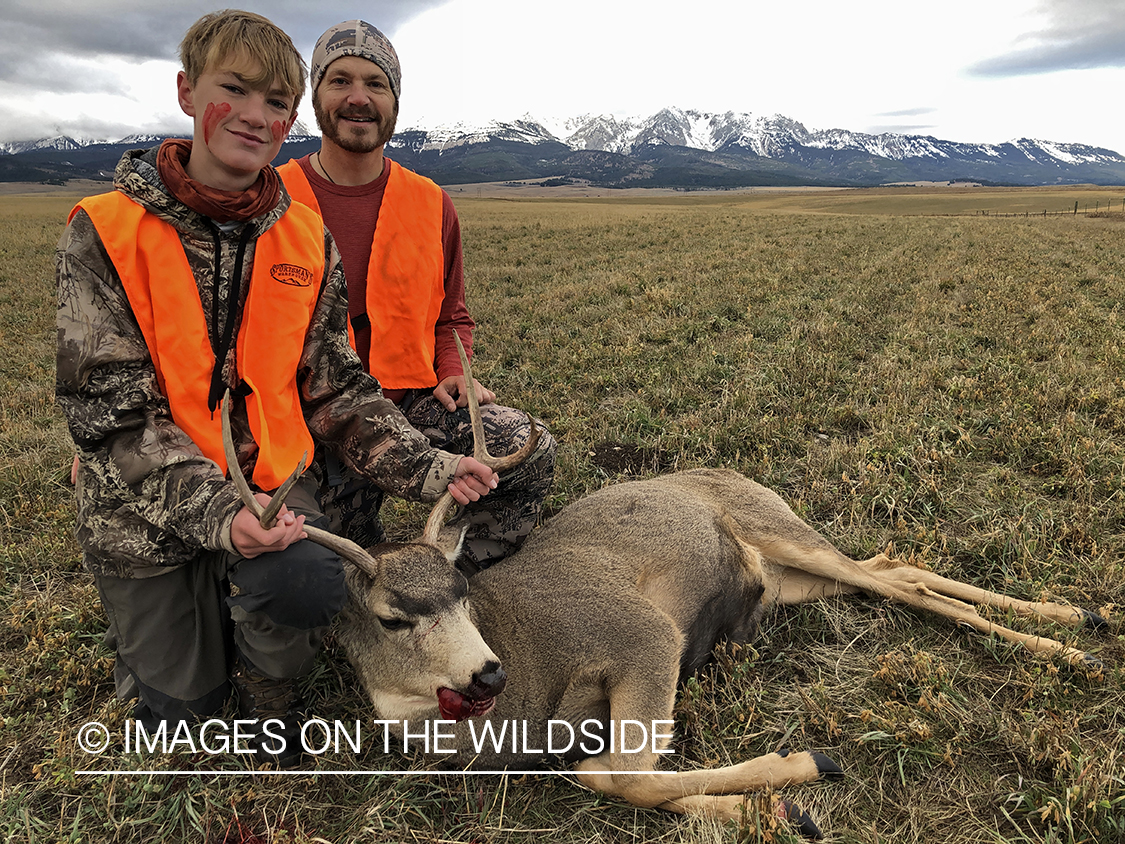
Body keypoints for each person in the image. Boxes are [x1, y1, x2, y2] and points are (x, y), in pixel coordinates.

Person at [55, 10, 498, 766]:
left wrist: (433, 470)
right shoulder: (105, 229)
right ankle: (187, 633)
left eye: (276, 104)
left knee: (303, 581)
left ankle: (269, 699)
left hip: (270, 490)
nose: (257, 117)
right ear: (188, 92)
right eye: (237, 90)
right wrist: (221, 518)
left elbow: (338, 388)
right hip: (145, 503)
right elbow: (113, 416)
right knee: (182, 725)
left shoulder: (301, 236)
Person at [277, 21, 556, 571]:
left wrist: (454, 366)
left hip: (410, 407)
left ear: (395, 101)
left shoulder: (430, 203)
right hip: (302, 425)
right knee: (315, 575)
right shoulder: (271, 197)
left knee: (523, 447)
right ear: (315, 98)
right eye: (340, 81)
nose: (359, 97)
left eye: (376, 84)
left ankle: (468, 584)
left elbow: (451, 313)